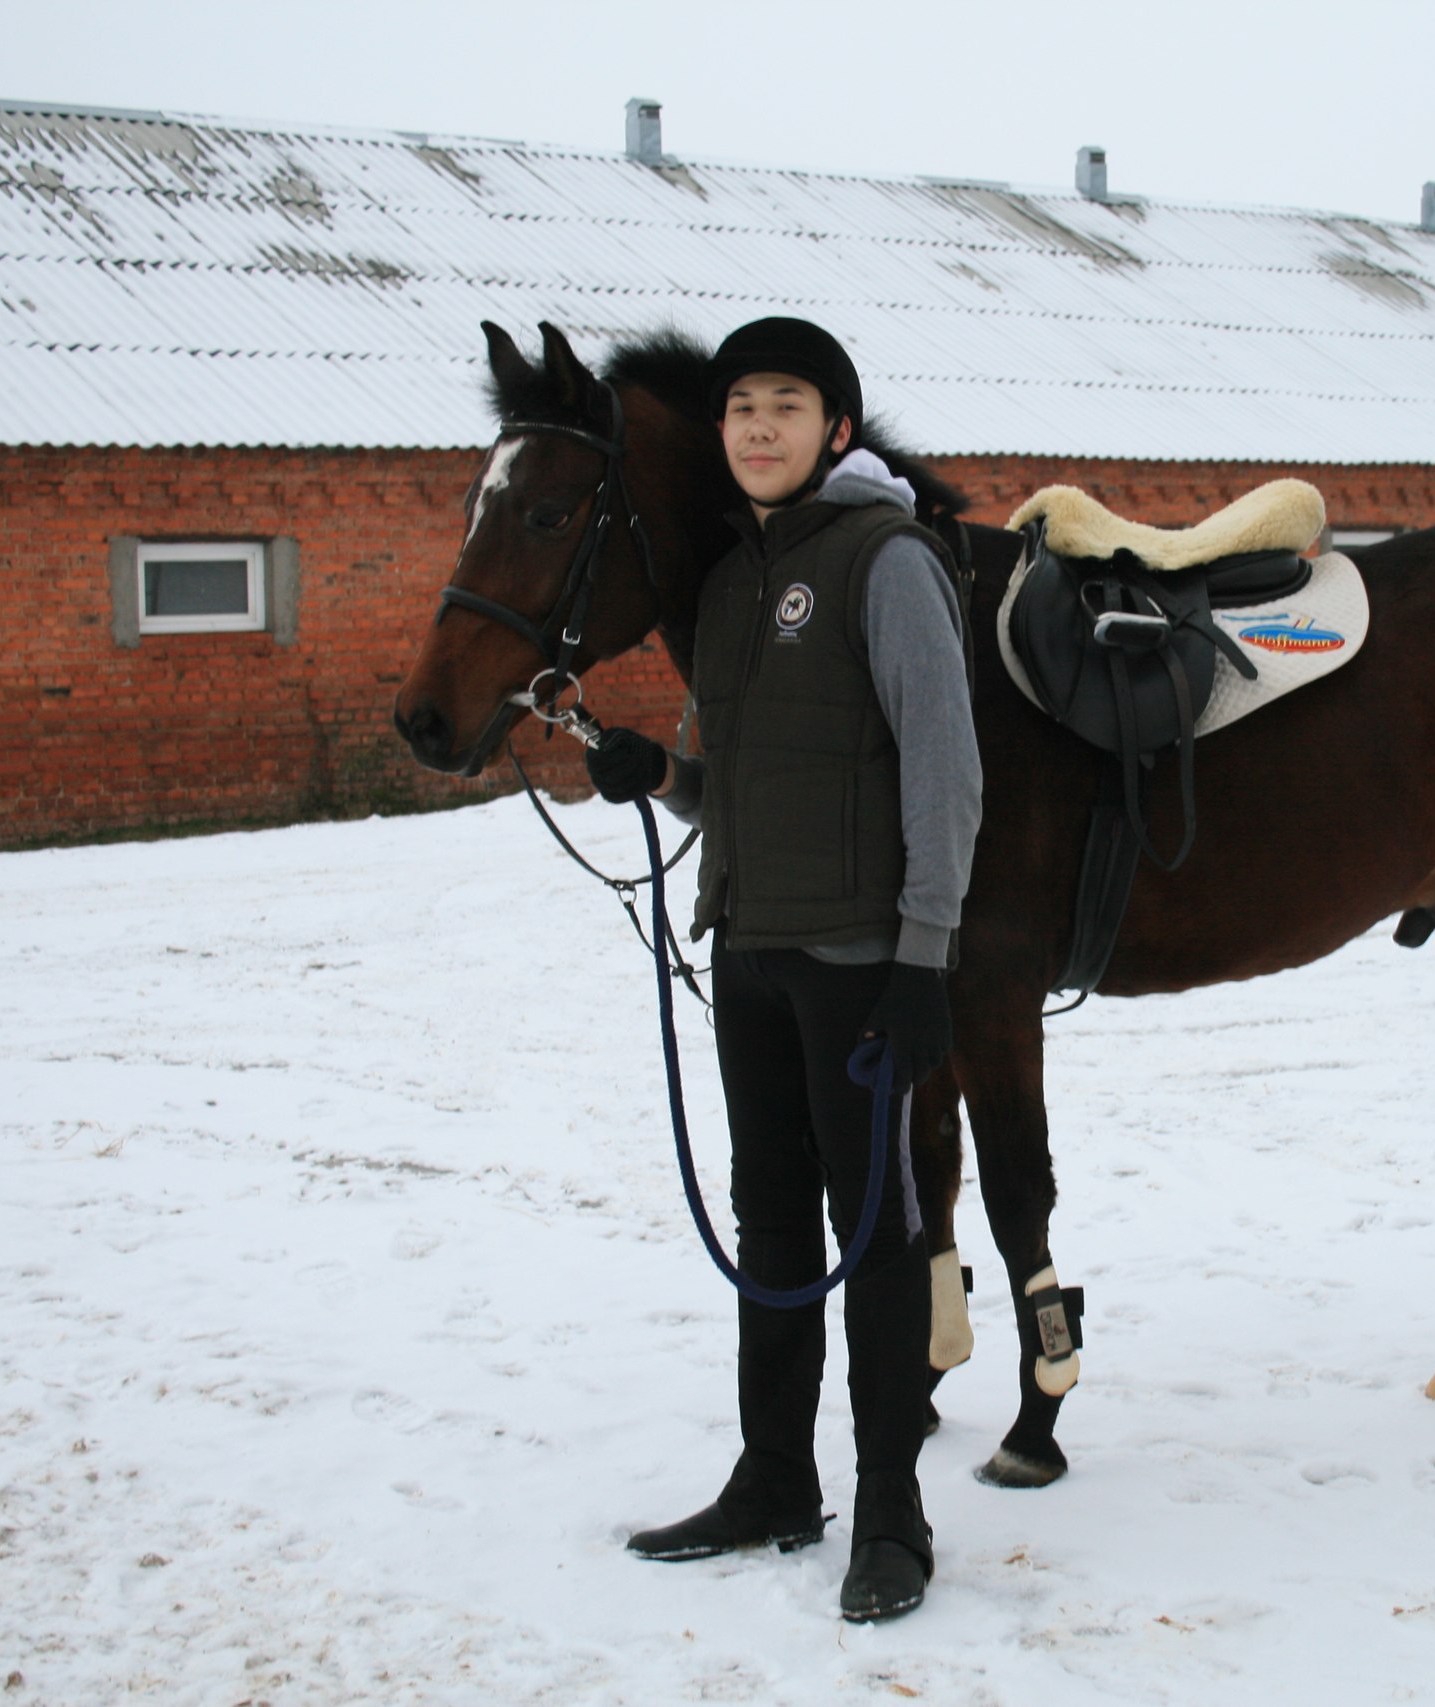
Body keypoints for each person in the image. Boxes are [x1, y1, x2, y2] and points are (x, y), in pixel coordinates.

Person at [583, 317, 980, 1624]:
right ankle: (773, 1479)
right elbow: (753, 785)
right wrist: (666, 776)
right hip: (749, 948)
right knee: (770, 1224)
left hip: (861, 964)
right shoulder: (730, 585)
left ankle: (893, 1514)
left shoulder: (886, 560)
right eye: (742, 406)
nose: (760, 426)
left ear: (837, 429)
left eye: (787, 404)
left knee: (876, 1239)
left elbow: (945, 773)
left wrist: (924, 958)